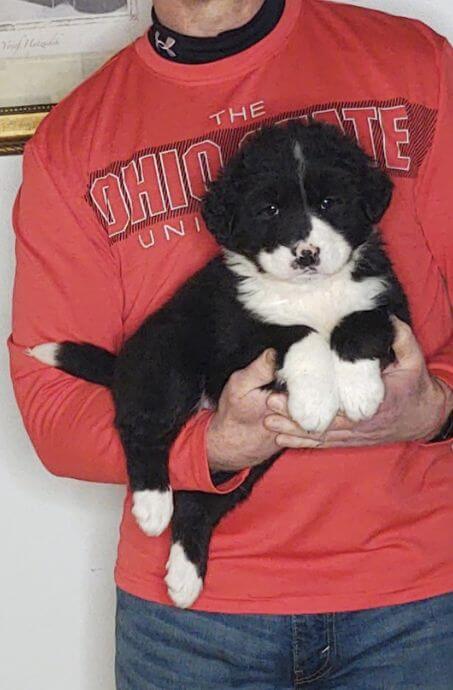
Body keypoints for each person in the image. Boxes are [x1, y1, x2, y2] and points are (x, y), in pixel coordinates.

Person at [8, 0, 453, 687]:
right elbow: (51, 404)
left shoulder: (412, 64)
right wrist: (209, 446)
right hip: (193, 625)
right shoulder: (76, 139)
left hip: (419, 595)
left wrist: (435, 407)